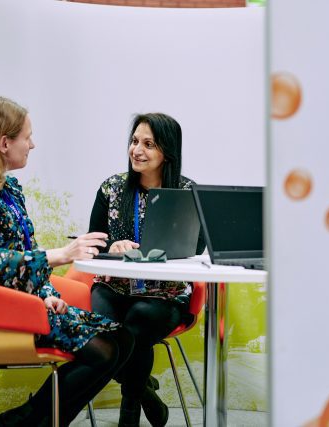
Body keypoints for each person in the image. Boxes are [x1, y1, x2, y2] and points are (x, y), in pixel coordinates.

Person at [0, 95, 134, 427]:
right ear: (4, 142)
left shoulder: (7, 188)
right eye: (27, 136)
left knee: (124, 339)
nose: (32, 144)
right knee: (104, 350)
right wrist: (64, 255)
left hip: (20, 305)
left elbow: (22, 253)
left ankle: (26, 420)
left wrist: (45, 295)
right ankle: (33, 421)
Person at [88, 113, 204, 427]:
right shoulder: (111, 188)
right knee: (102, 338)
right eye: (135, 141)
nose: (137, 150)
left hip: (164, 296)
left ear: (167, 152)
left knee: (138, 320)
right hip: (114, 287)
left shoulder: (186, 191)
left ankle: (129, 415)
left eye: (148, 144)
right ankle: (146, 395)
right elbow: (93, 242)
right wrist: (110, 246)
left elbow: (197, 248)